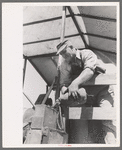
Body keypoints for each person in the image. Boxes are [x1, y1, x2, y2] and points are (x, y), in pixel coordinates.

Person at [56, 40, 116, 144]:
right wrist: (67, 93)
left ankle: (112, 145)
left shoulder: (87, 54)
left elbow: (89, 70)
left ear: (71, 47)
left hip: (103, 91)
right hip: (85, 95)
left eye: (64, 52)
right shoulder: (65, 65)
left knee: (107, 120)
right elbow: (63, 84)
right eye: (61, 54)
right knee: (79, 123)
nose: (63, 55)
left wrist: (74, 84)